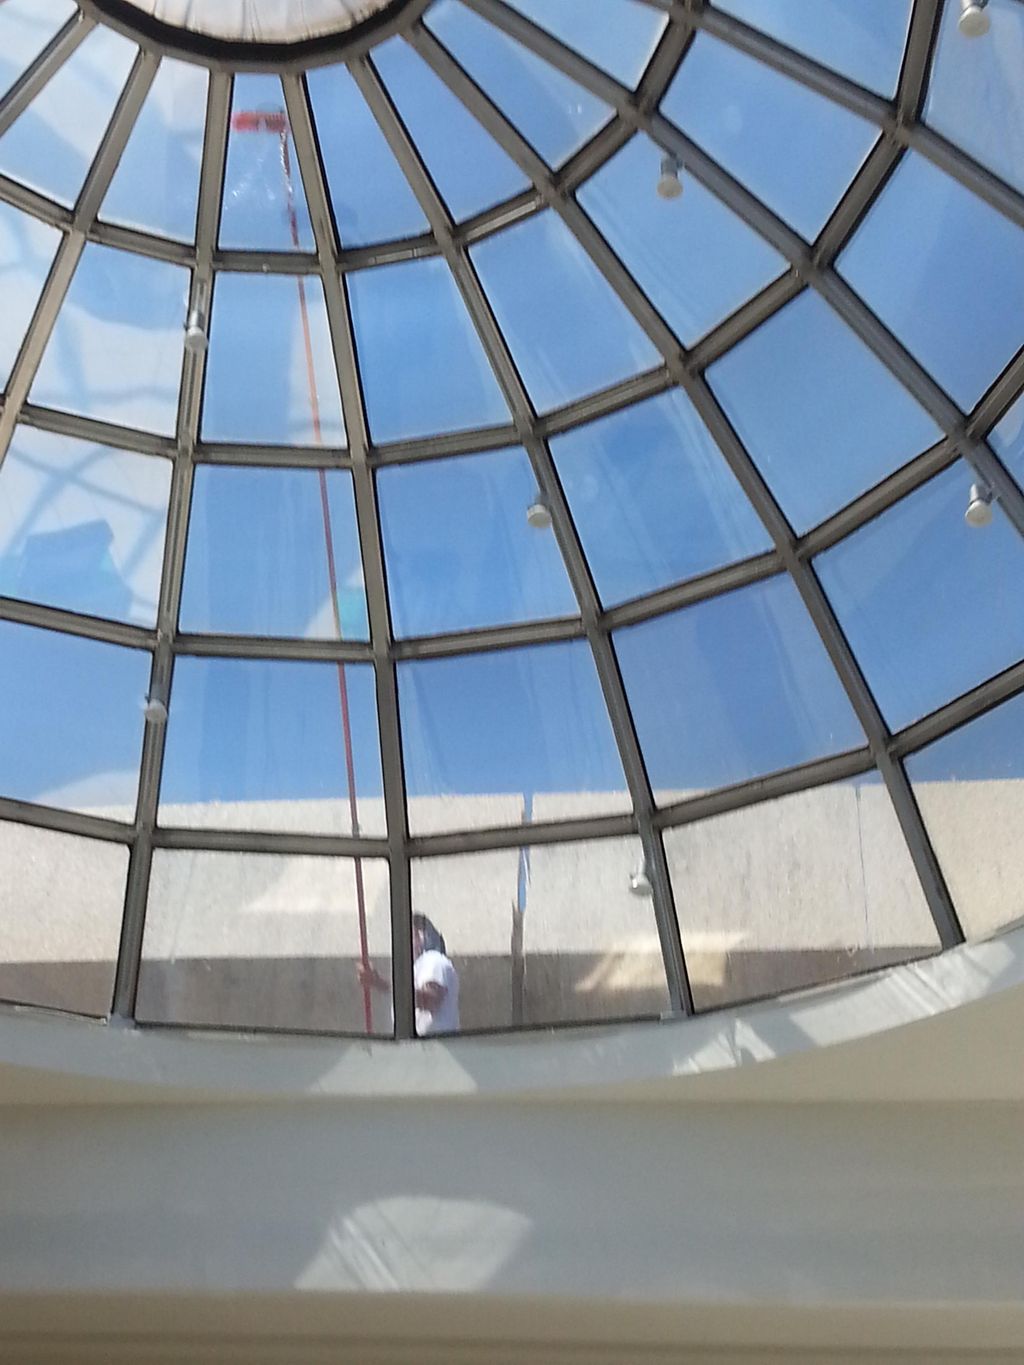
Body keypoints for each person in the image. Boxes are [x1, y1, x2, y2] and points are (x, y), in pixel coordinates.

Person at [357, 913, 460, 1036]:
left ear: (421, 936)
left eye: (410, 934)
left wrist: (380, 983)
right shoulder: (416, 969)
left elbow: (429, 999)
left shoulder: (434, 960)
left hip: (435, 1049)